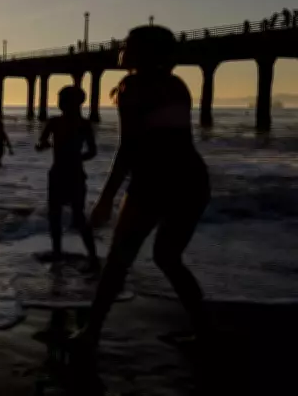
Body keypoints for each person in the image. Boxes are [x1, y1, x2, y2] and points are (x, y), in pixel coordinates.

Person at [72, 25, 211, 350]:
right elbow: (172, 138)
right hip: (192, 179)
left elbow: (129, 148)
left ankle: (91, 333)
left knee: (118, 261)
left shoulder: (132, 87)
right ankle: (205, 330)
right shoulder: (177, 85)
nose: (122, 48)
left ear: (141, 52)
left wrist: (106, 198)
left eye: (128, 44)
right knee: (168, 256)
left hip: (154, 181)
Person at [35, 86, 100, 271]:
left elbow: (92, 151)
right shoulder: (59, 123)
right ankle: (62, 252)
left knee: (74, 216)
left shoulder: (74, 124)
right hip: (64, 173)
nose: (59, 102)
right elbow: (41, 144)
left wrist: (75, 158)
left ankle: (90, 255)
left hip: (70, 174)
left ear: (75, 102)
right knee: (58, 215)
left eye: (62, 99)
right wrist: (43, 145)